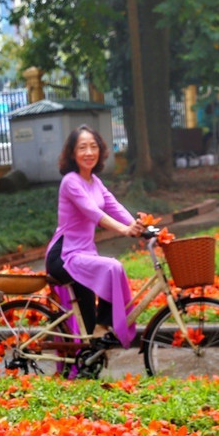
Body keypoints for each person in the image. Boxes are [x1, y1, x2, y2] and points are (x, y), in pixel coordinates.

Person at [44, 125, 145, 357]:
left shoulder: (94, 182)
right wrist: (124, 230)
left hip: (84, 253)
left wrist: (139, 226)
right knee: (112, 267)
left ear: (100, 151)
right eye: (82, 148)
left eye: (93, 146)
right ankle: (103, 326)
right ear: (72, 153)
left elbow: (113, 206)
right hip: (65, 254)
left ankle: (85, 362)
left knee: (86, 321)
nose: (89, 152)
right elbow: (94, 213)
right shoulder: (71, 181)